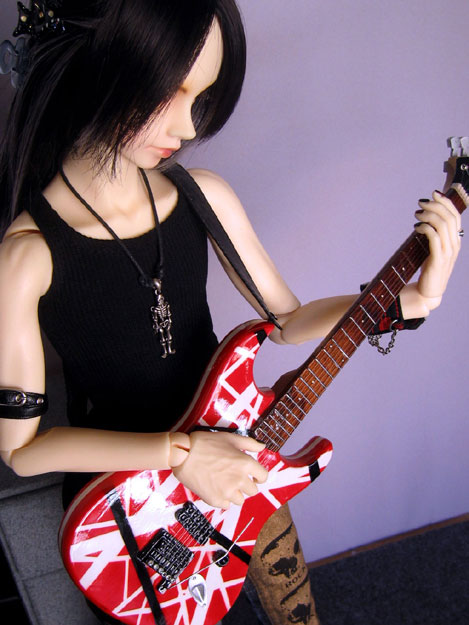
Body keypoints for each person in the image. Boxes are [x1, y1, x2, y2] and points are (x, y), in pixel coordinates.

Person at [0, 1, 462, 624]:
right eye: (170, 91)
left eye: (201, 98)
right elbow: (23, 450)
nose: (188, 126)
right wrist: (182, 455)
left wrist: (410, 302)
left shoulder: (203, 196)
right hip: (127, 508)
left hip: (241, 449)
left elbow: (287, 320)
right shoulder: (28, 255)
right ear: (101, 67)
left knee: (296, 608)